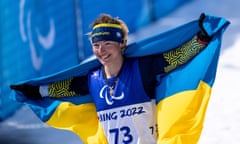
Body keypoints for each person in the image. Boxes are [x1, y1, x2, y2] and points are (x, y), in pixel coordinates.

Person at [11, 13, 213, 143]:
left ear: (121, 45)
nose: (101, 50)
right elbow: (68, 88)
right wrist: (36, 91)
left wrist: (200, 40)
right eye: (96, 45)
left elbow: (174, 58)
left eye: (108, 43)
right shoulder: (93, 79)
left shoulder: (142, 69)